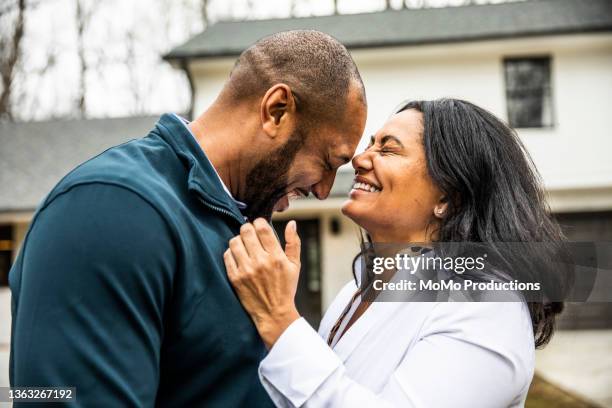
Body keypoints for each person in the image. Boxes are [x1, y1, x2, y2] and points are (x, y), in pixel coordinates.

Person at [9, 30, 366, 406]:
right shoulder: (112, 207)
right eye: (328, 162)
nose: (324, 190)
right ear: (276, 110)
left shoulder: (245, 228)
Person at [224, 98, 566, 407]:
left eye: (387, 150)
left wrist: (281, 320)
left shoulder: (486, 308)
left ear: (448, 198)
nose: (359, 158)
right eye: (370, 144)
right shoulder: (355, 293)